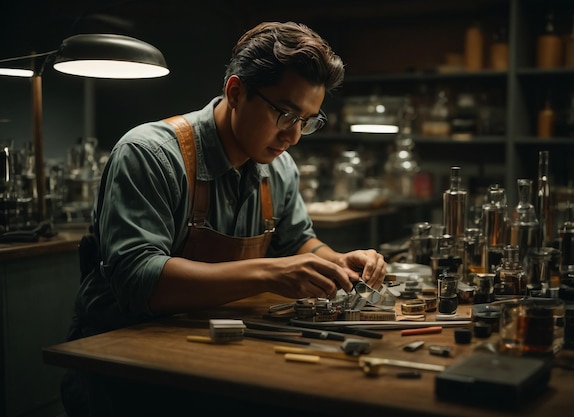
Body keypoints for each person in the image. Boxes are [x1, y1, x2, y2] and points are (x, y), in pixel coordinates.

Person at [61, 21, 387, 416]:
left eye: (307, 120)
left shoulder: (279, 168)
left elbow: (296, 240)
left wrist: (337, 261)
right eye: (285, 114)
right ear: (236, 92)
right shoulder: (149, 155)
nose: (294, 136)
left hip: (212, 350)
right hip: (124, 367)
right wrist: (269, 273)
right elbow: (138, 279)